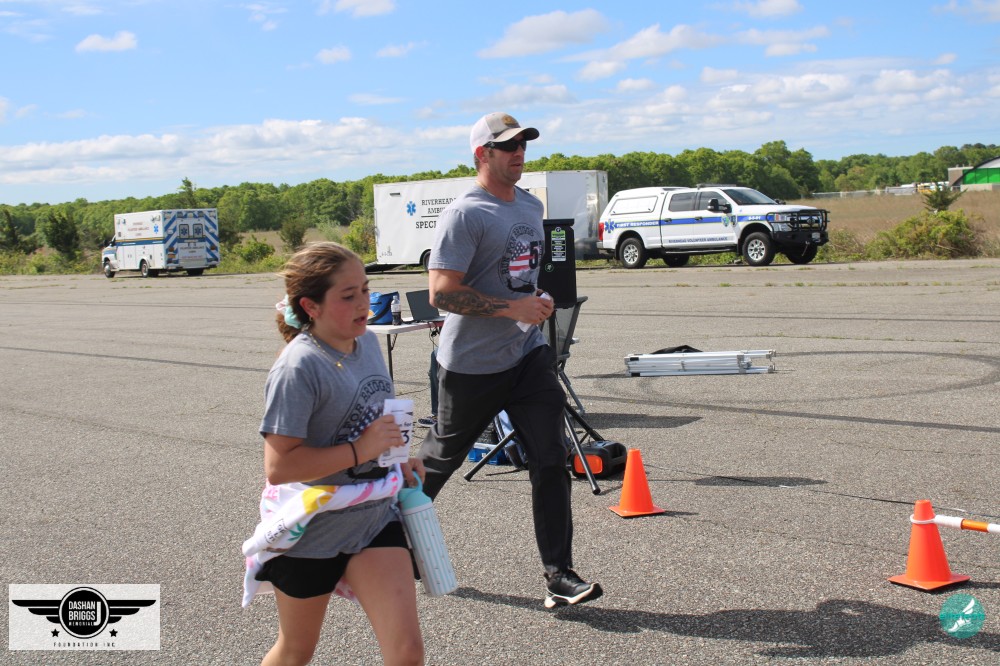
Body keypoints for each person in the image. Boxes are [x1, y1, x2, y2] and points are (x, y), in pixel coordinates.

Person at [418, 112, 603, 609]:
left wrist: (535, 300)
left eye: (523, 144)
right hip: (472, 364)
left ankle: (559, 576)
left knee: (550, 457)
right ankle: (388, 540)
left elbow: (520, 276)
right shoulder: (465, 214)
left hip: (526, 354)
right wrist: (510, 307)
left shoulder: (529, 205)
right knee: (439, 460)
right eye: (508, 146)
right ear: (482, 154)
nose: (519, 153)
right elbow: (441, 293)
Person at [256, 242, 426, 666]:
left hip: (373, 518)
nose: (363, 304)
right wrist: (359, 450)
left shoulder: (366, 342)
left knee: (407, 652)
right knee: (295, 651)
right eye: (348, 296)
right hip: (311, 532)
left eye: (366, 290)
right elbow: (279, 467)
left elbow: (375, 417)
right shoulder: (298, 367)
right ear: (310, 306)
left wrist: (398, 457)